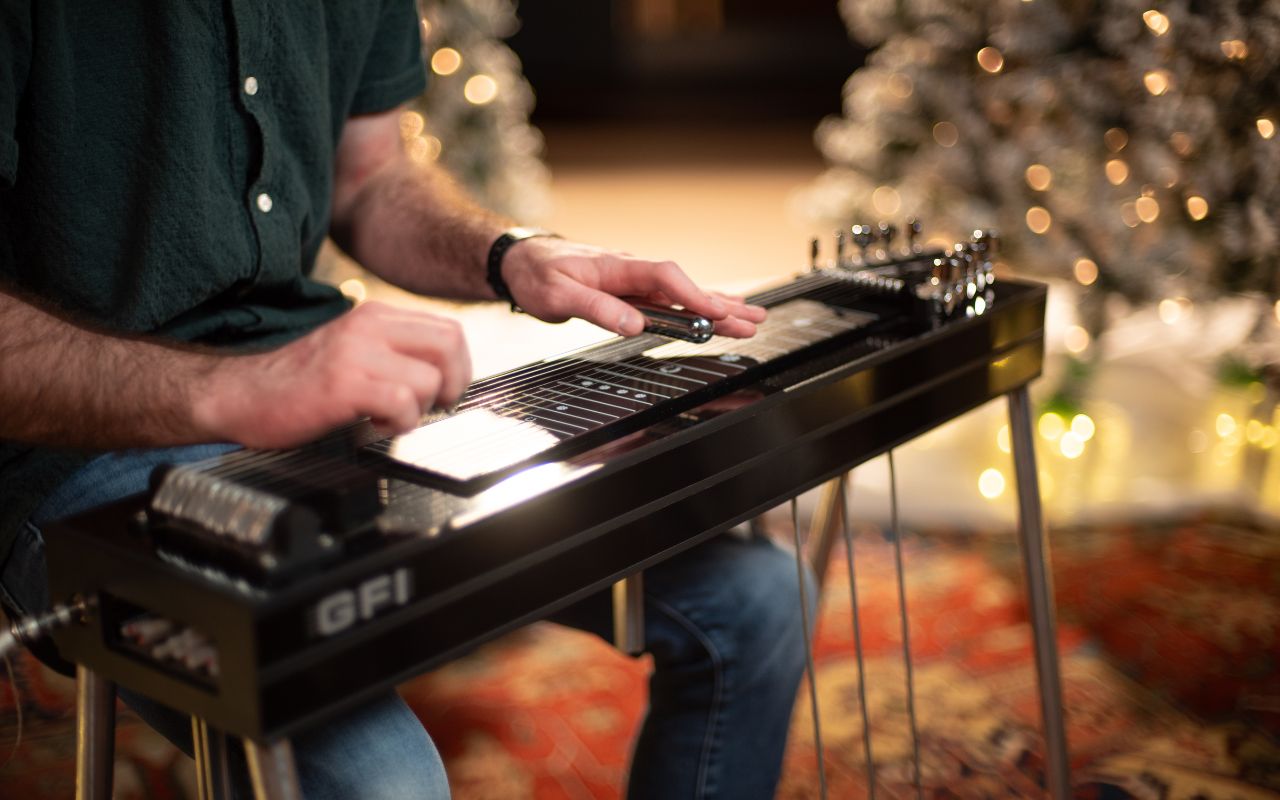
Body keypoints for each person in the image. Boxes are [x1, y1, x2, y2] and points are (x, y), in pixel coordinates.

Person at [0, 2, 811, 797]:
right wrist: (231, 389)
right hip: (80, 444)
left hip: (318, 387)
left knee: (754, 597)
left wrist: (514, 256)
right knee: (385, 782)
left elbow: (371, 181)